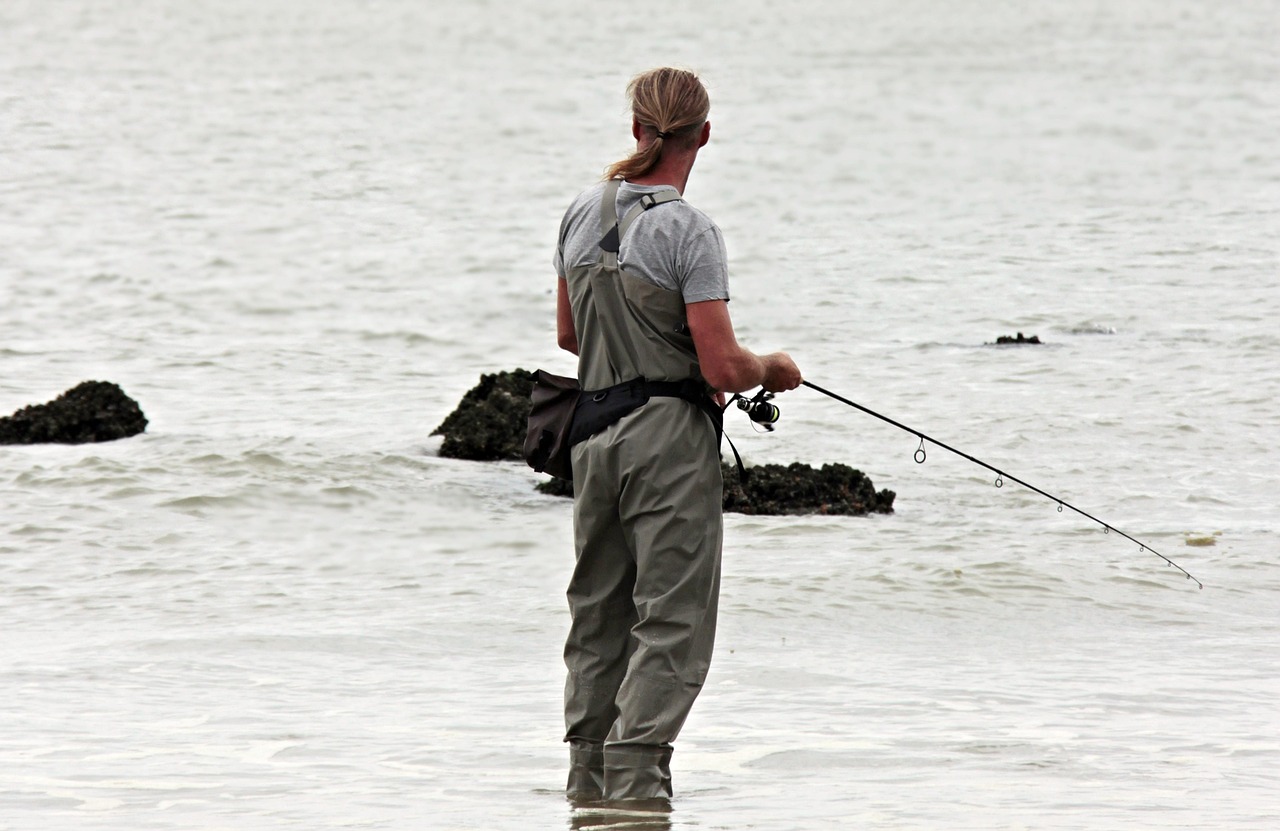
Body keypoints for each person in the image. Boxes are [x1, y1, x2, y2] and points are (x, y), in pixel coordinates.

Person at [552, 67, 802, 803]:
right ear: (705, 135)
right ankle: (635, 788)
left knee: (598, 615)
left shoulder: (577, 212)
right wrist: (775, 369)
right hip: (666, 442)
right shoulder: (688, 229)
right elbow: (724, 362)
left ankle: (587, 789)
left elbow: (571, 336)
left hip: (591, 437)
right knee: (672, 620)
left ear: (637, 129)